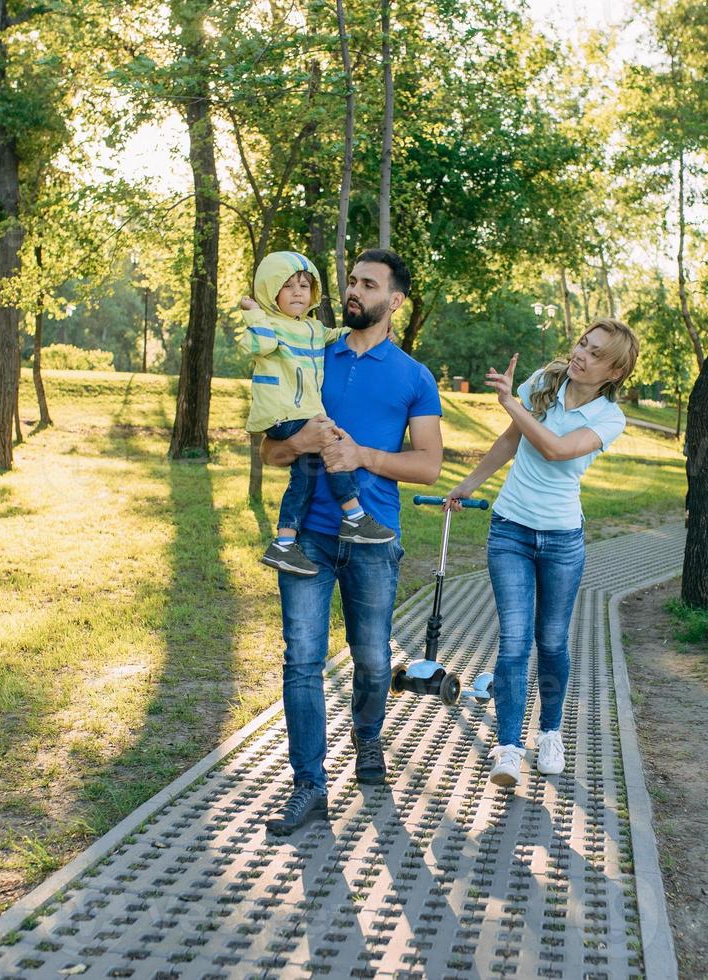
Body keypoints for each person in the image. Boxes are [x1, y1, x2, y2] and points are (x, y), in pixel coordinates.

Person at [260, 249, 444, 835]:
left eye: (369, 284)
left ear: (395, 301)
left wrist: (362, 455)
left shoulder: (415, 377)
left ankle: (368, 741)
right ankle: (308, 786)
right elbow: (270, 451)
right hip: (308, 536)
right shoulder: (311, 354)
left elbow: (429, 466)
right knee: (302, 661)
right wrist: (303, 442)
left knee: (370, 658)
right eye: (351, 281)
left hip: (373, 537)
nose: (353, 290)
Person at [444, 318, 638, 787]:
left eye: (594, 354)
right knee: (514, 641)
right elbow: (514, 438)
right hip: (510, 530)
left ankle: (550, 733)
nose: (580, 355)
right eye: (581, 343)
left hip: (562, 540)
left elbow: (555, 449)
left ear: (612, 372)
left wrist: (513, 404)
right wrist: (470, 483)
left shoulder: (610, 418)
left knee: (551, 641)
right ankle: (508, 747)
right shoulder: (544, 381)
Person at [238, 251, 396, 578]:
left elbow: (331, 336)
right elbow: (261, 347)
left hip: (301, 410)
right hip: (282, 411)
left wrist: (371, 334)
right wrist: (254, 314)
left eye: (305, 285)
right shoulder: (266, 325)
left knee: (305, 477)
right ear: (270, 291)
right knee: (333, 443)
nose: (298, 292)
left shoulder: (310, 327)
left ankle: (284, 542)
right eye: (288, 286)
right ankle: (353, 516)